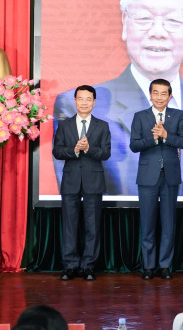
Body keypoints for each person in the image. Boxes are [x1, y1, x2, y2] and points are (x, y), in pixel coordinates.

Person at [52, 0, 183, 196]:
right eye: (144, 18)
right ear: (125, 23)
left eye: (173, 20)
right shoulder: (78, 105)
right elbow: (78, 193)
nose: (157, 31)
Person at [130, 79, 183, 280]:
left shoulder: (178, 115)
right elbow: (134, 145)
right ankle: (148, 266)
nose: (159, 97)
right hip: (147, 177)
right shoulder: (140, 117)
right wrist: (154, 139)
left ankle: (165, 265)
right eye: (156, 93)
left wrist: (166, 135)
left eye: (164, 93)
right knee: (147, 223)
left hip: (170, 176)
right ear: (150, 94)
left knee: (168, 223)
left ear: (170, 96)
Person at [52, 85, 111, 281]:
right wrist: (75, 149)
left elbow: (106, 153)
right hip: (70, 180)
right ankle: (70, 266)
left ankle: (88, 266)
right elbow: (57, 151)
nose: (84, 102)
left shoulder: (102, 126)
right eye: (81, 99)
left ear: (94, 102)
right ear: (75, 101)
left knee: (92, 226)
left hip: (93, 180)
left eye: (88, 99)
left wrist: (89, 148)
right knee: (70, 225)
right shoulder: (65, 125)